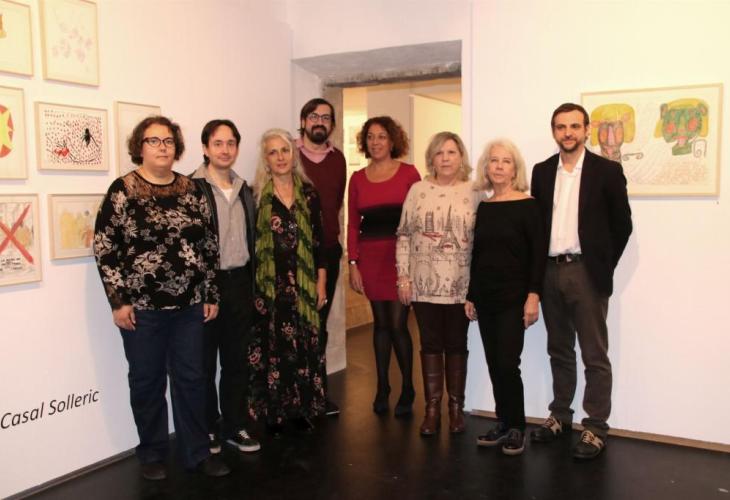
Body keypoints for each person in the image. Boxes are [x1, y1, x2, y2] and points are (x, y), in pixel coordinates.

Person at [93, 116, 230, 479]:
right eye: (153, 141)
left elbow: (209, 246)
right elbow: (105, 247)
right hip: (142, 309)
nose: (162, 147)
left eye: (168, 140)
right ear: (140, 147)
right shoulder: (123, 190)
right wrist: (118, 300)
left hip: (189, 307)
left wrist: (211, 292)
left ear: (176, 147)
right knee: (147, 381)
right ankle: (152, 453)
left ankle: (197, 452)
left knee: (192, 379)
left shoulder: (191, 190)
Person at [530, 103, 632, 460]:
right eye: (561, 127)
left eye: (574, 126)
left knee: (594, 354)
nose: (568, 133)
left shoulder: (607, 171)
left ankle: (595, 427)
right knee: (558, 349)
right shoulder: (542, 171)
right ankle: (560, 415)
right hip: (549, 271)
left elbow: (622, 225)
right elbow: (537, 226)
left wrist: (600, 265)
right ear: (553, 131)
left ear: (587, 130)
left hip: (586, 271)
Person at [465, 139, 547, 456]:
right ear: (486, 167)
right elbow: (478, 254)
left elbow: (537, 255)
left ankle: (517, 427)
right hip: (486, 297)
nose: (499, 166)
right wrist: (471, 295)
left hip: (515, 298)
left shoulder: (528, 205)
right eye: (494, 160)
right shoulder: (485, 207)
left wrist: (534, 295)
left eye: (506, 161)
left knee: (507, 363)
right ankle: (503, 423)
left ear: (515, 169)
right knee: (494, 363)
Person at [396, 131, 481, 435]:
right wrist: (403, 277)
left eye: (451, 152)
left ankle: (455, 408)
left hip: (461, 285)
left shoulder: (475, 191)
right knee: (430, 344)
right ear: (431, 158)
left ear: (461, 157)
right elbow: (404, 234)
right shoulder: (417, 190)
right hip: (423, 283)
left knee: (457, 344)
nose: (445, 158)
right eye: (439, 153)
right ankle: (432, 409)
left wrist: (478, 287)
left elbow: (484, 241)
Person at [247, 128, 327, 436]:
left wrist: (320, 283)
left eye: (285, 150)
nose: (280, 157)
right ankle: (275, 413)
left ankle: (301, 410)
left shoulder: (309, 194)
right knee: (275, 348)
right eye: (273, 152)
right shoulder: (255, 196)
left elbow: (320, 243)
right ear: (265, 159)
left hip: (304, 287)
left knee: (303, 346)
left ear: (293, 156)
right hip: (270, 286)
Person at [191, 119, 260, 455]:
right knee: (203, 364)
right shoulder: (191, 188)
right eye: (218, 143)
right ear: (205, 148)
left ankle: (235, 425)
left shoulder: (245, 188)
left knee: (237, 363)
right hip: (207, 286)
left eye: (231, 143)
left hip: (240, 283)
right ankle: (207, 429)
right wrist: (203, 289)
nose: (225, 149)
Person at [348, 116, 420, 416]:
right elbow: (353, 224)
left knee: (398, 325)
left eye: (381, 136)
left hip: (401, 259)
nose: (375, 142)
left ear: (392, 141)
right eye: (370, 137)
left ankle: (408, 387)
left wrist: (414, 264)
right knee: (380, 324)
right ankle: (382, 387)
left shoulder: (409, 173)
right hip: (371, 259)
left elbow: (418, 219)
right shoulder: (357, 179)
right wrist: (353, 262)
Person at [297, 98, 347, 417]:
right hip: (295, 253)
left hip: (327, 251)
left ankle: (317, 394)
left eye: (326, 117)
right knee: (296, 326)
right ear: (303, 121)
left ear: (332, 124)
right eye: (313, 116)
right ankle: (293, 396)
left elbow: (335, 203)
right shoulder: (289, 155)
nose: (319, 121)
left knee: (319, 325)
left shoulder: (338, 159)